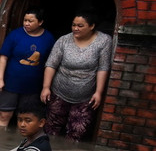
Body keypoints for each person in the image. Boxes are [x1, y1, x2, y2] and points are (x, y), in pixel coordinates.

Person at [40, 11, 112, 142]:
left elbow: (103, 68)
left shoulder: (104, 41)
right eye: (73, 25)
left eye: (80, 26)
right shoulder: (64, 40)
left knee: (77, 132)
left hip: (86, 95)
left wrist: (98, 92)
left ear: (92, 26)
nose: (75, 28)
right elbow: (51, 64)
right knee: (51, 129)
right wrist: (46, 87)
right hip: (59, 91)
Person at [0, 8, 56, 127]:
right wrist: (0, 79)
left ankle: (23, 145)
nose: (26, 23)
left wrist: (46, 86)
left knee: (27, 120)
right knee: (4, 115)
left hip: (32, 87)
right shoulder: (15, 35)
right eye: (25, 20)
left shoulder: (48, 38)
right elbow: (3, 57)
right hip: (10, 84)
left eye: (30, 21)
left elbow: (51, 63)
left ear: (40, 22)